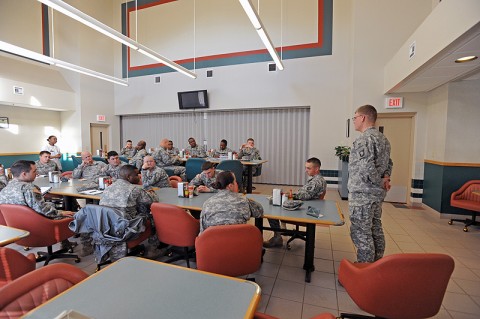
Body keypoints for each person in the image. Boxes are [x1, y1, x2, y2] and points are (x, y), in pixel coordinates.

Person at [348, 104, 393, 263]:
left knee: (361, 233)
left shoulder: (364, 139)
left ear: (363, 117)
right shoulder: (383, 139)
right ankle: (377, 265)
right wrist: (385, 177)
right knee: (375, 229)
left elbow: (366, 168)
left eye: (355, 118)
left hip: (363, 196)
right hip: (376, 196)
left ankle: (365, 269)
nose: (354, 121)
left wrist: (380, 181)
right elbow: (389, 163)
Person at [0, 160, 74, 249]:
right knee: (80, 215)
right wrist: (61, 213)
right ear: (24, 174)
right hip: (41, 227)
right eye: (34, 171)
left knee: (51, 205)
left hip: (19, 228)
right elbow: (44, 210)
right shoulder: (29, 189)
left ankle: (65, 244)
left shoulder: (5, 189)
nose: (37, 173)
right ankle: (87, 248)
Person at [263, 157, 327, 248]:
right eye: (306, 168)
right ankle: (282, 227)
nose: (306, 170)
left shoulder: (317, 182)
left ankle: (277, 238)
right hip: (309, 206)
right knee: (279, 202)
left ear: (317, 169)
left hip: (308, 211)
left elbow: (305, 196)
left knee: (272, 210)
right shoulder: (317, 179)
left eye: (308, 168)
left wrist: (290, 195)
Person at [199, 171, 263, 234]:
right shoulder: (243, 200)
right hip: (239, 241)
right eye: (235, 182)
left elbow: (203, 230)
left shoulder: (207, 203)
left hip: (213, 242)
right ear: (230, 186)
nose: (237, 184)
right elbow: (259, 211)